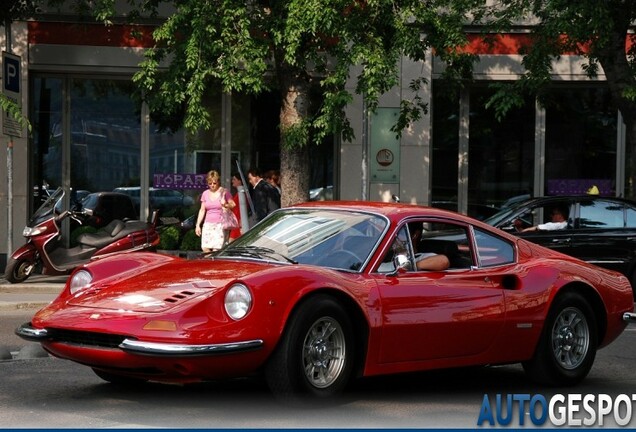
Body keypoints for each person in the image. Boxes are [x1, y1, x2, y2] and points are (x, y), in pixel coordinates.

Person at [195, 170, 235, 252]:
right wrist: (198, 225)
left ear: (218, 182)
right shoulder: (205, 193)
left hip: (220, 224)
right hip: (208, 224)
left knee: (216, 249)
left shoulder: (224, 192)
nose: (212, 185)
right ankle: (211, 263)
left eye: (214, 183)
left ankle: (213, 263)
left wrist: (225, 205)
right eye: (210, 183)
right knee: (205, 247)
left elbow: (233, 204)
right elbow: (202, 210)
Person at [228, 172, 243, 242]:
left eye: (234, 179)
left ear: (239, 181)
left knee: (232, 243)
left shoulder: (242, 194)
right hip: (236, 222)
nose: (232, 181)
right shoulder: (239, 193)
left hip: (238, 223)